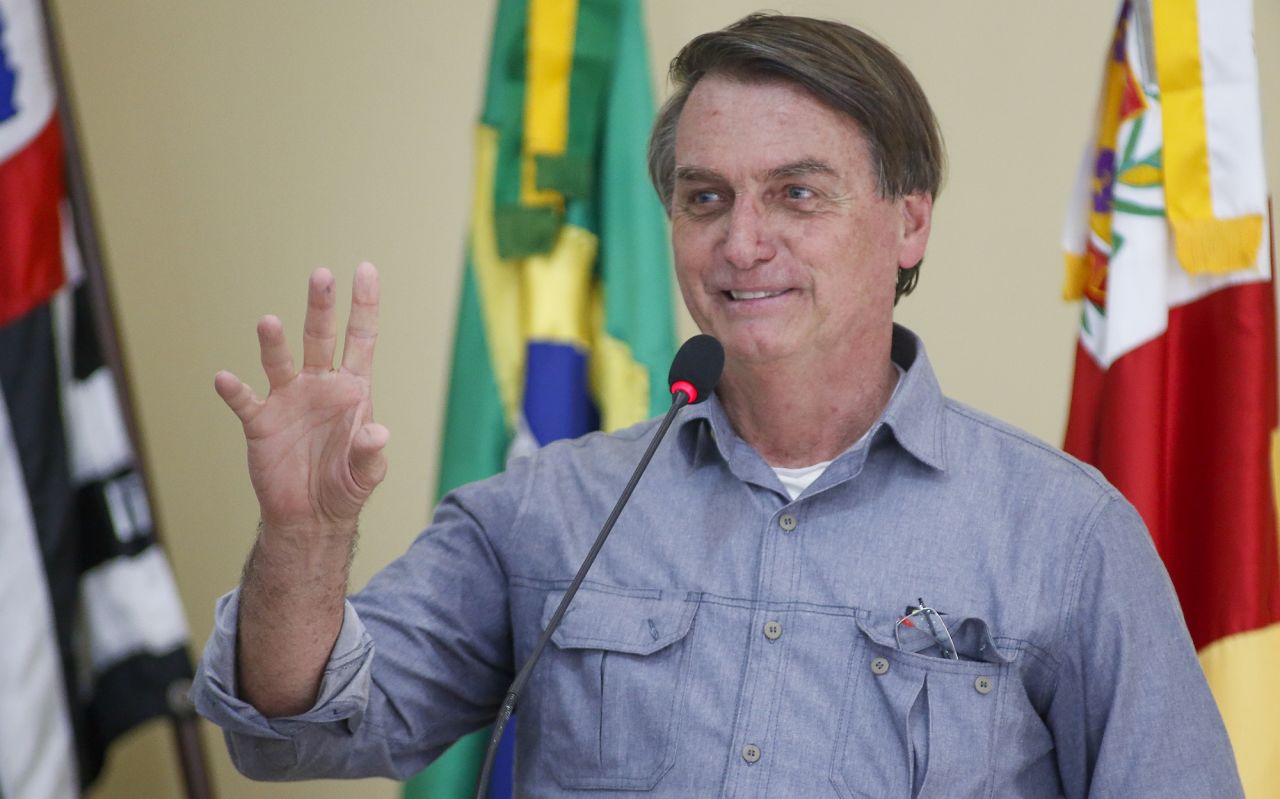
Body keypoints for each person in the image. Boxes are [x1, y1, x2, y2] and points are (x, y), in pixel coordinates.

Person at [193, 13, 1243, 797]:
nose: (741, 242)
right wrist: (304, 536)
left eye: (795, 192)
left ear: (908, 221)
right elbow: (292, 732)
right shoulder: (548, 509)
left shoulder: (1064, 534)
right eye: (705, 198)